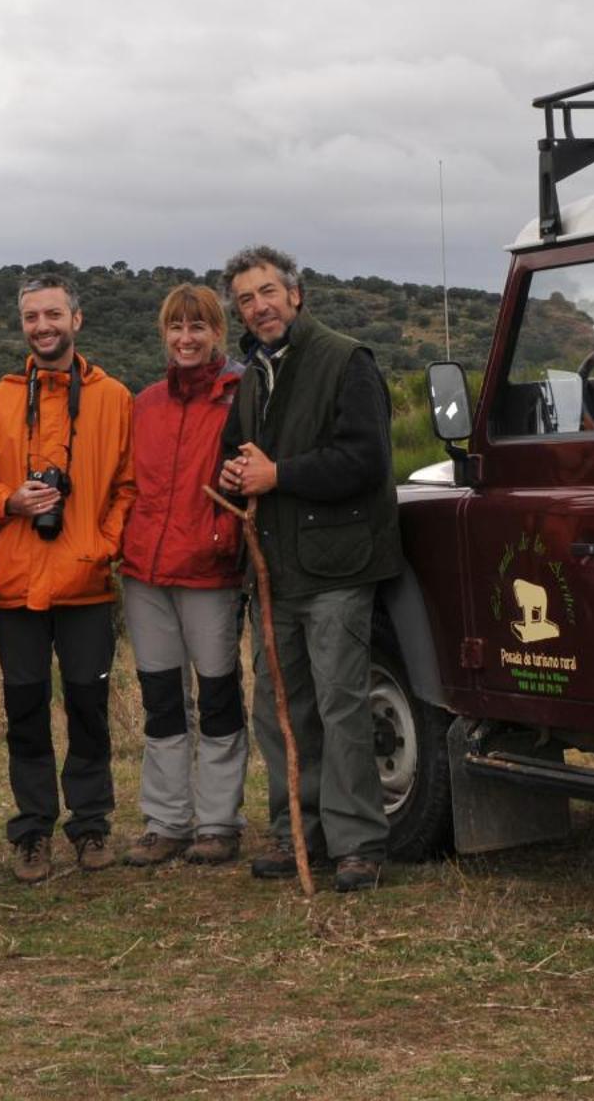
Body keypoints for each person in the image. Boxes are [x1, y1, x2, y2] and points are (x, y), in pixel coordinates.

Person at [216, 245, 401, 893]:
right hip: (275, 570)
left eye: (269, 292)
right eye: (246, 298)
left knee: (341, 704)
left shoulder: (347, 361)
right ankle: (301, 827)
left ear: (296, 295)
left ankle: (357, 845)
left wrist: (279, 474)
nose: (260, 306)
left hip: (337, 567)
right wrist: (235, 475)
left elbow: (367, 460)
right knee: (279, 709)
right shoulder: (250, 377)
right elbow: (233, 458)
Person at [0, 273, 136, 882]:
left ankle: (90, 825)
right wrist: (9, 501)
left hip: (85, 583)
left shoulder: (114, 399)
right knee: (24, 712)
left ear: (76, 320)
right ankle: (31, 831)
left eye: (53, 314)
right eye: (32, 317)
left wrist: (100, 546)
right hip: (16, 588)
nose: (43, 326)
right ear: (23, 325)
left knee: (88, 708)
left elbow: (130, 488)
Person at [118, 285, 248, 866]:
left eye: (198, 327)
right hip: (145, 571)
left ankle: (218, 822)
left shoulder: (241, 396)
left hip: (210, 569)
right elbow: (128, 484)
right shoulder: (143, 403)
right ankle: (166, 821)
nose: (187, 338)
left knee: (218, 696)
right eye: (176, 328)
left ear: (217, 332)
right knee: (162, 699)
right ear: (163, 334)